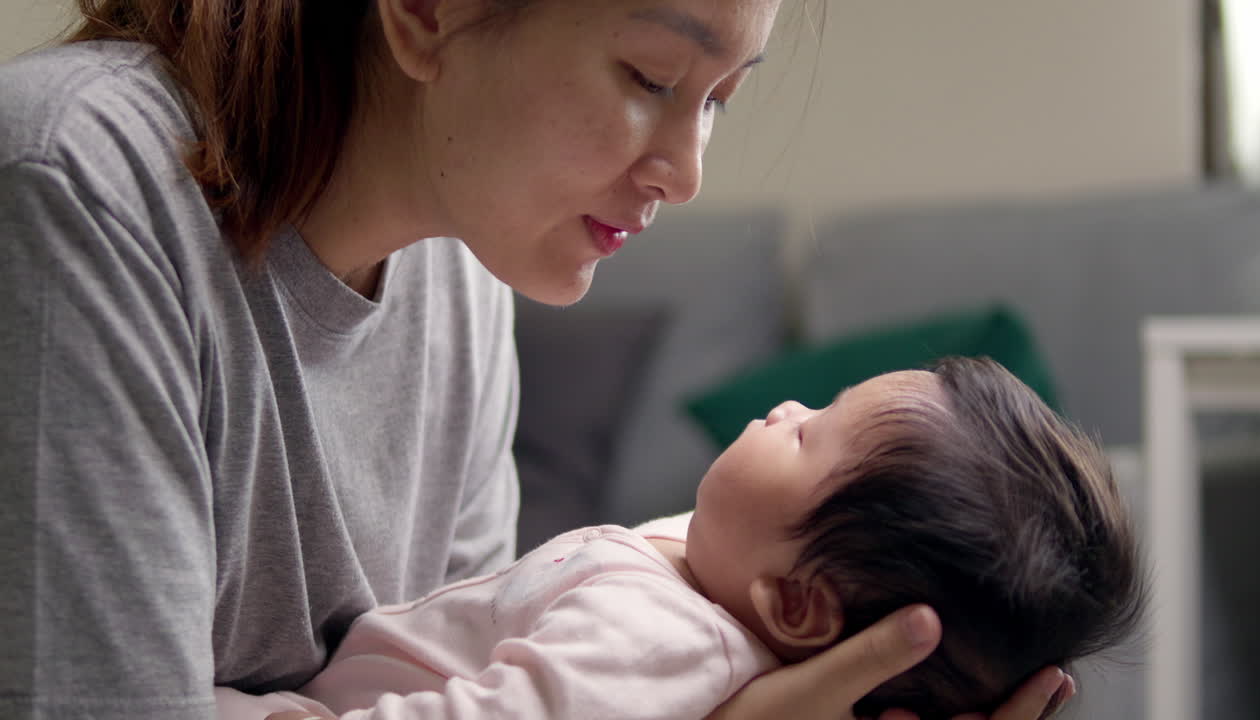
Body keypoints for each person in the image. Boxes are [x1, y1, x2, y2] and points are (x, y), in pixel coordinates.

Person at [0, 0, 1071, 718]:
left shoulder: (461, 277)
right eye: (651, 75)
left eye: (718, 98)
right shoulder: (80, 186)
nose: (687, 171)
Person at [214, 357, 1144, 720]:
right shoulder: (717, 577)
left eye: (808, 432)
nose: (784, 405)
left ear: (799, 604)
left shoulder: (656, 647)